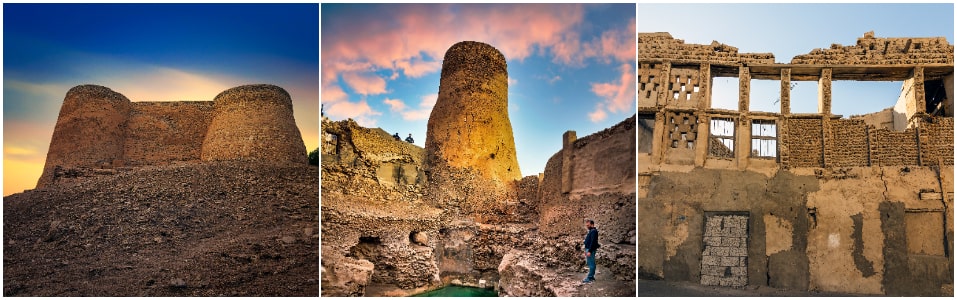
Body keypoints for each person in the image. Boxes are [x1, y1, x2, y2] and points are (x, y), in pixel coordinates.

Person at [582, 219, 599, 284]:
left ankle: (590, 277)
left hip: (590, 249)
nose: (587, 226)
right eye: (586, 225)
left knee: (591, 263)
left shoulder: (593, 231)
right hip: (588, 249)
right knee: (591, 263)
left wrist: (589, 251)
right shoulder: (592, 231)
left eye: (588, 225)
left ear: (592, 224)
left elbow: (593, 242)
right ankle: (591, 277)